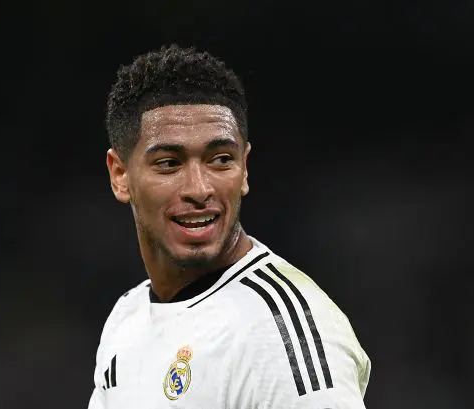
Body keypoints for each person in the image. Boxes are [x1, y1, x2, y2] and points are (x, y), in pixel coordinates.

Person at [88, 44, 371, 408]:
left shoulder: (279, 334)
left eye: (220, 159)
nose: (199, 189)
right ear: (121, 175)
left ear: (245, 168)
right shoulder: (126, 319)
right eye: (169, 164)